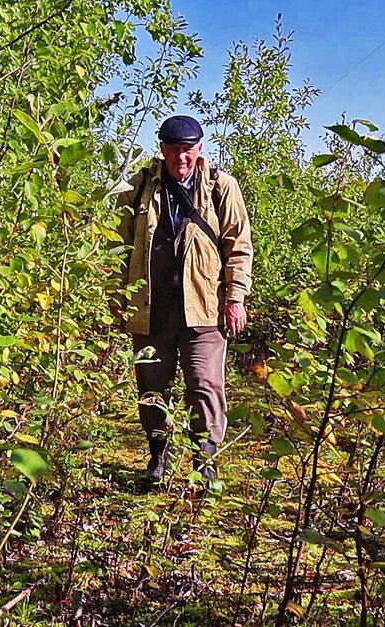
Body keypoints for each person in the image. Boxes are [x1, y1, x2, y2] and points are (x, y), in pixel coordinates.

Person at [113, 114, 253, 489]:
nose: (181, 158)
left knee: (204, 386)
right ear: (162, 150)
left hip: (205, 307)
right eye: (173, 150)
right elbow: (118, 249)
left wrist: (235, 298)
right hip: (151, 308)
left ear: (200, 148)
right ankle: (157, 459)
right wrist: (118, 301)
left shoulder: (222, 187)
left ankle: (205, 466)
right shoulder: (139, 187)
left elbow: (238, 249)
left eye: (188, 149)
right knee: (152, 387)